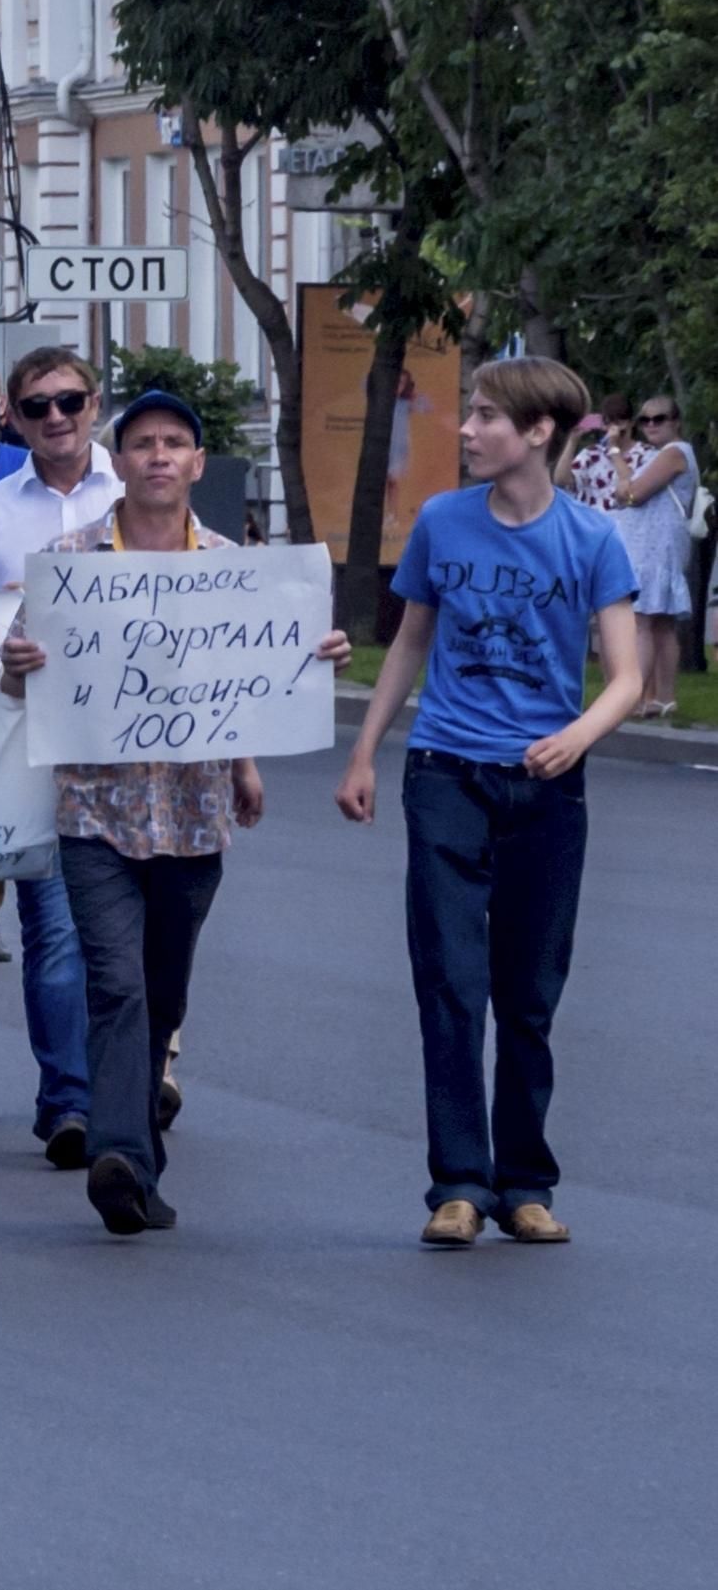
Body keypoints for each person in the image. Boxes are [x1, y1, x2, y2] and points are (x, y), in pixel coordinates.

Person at [0, 389, 346, 1236]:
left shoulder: (234, 565)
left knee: (164, 987)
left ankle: (138, 1155)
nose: (159, 455)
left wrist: (269, 730)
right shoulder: (70, 562)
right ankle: (118, 1155)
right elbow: (18, 679)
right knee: (114, 981)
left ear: (196, 464)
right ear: (119, 462)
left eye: (175, 443)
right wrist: (17, 663)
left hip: (194, 814)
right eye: (144, 442)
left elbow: (246, 681)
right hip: (95, 812)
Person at [338, 356, 643, 1248]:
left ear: (539, 431)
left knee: (529, 991)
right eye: (468, 415)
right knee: (451, 983)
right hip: (446, 771)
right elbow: (407, 646)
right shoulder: (442, 522)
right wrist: (364, 752)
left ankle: (527, 1182)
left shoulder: (591, 540)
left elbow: (625, 676)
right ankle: (460, 1183)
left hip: (547, 785)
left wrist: (576, 736)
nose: (466, 430)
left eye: (484, 417)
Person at [0, 347, 132, 1166]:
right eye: (38, 405)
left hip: (134, 751)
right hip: (33, 744)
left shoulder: (138, 492)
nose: (57, 417)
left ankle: (129, 1083)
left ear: (95, 405)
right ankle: (70, 1102)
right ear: (11, 418)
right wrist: (5, 651)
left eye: (72, 401)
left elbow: (211, 606)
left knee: (130, 940)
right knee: (53, 931)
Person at [606, 392, 691, 717]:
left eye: (660, 419)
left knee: (641, 621)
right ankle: (663, 698)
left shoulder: (673, 452)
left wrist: (614, 453)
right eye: (645, 419)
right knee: (661, 623)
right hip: (658, 544)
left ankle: (635, 698)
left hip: (656, 546)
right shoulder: (660, 455)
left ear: (676, 422)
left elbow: (632, 494)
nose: (651, 425)